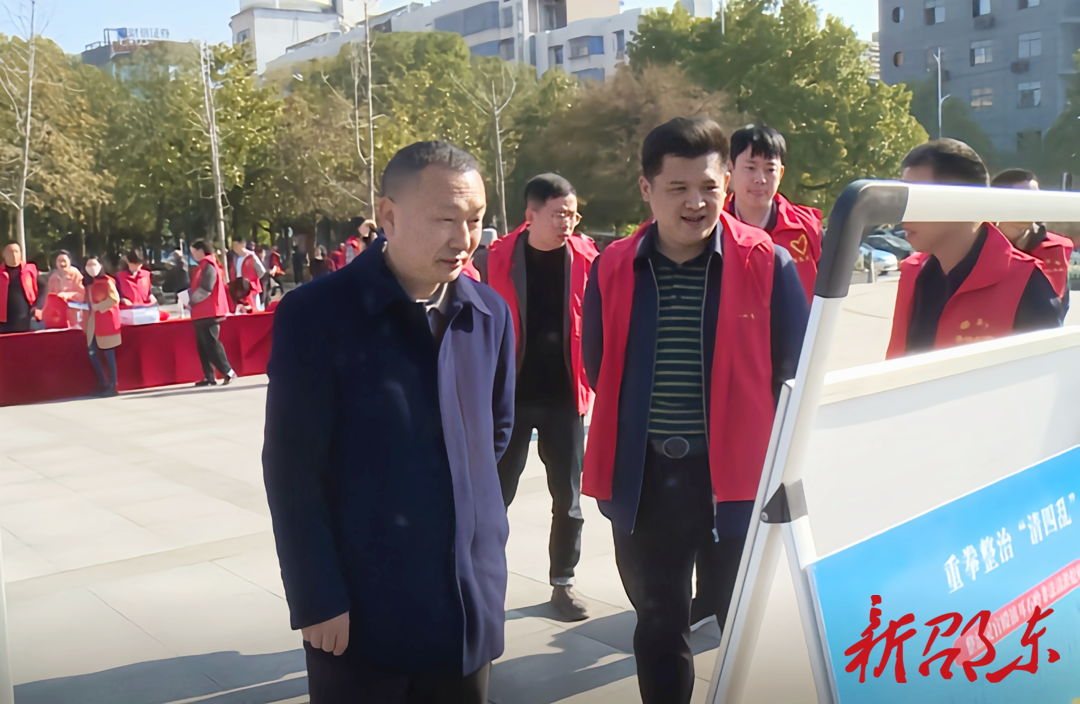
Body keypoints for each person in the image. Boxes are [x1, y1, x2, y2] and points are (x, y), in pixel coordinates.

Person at [263, 141, 514, 703]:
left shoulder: (488, 314)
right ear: (389, 216)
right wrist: (317, 597)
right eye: (445, 219)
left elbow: (495, 435)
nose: (464, 239)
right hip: (361, 608)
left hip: (465, 600)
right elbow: (291, 470)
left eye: (475, 220)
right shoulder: (316, 315)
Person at [581, 118, 809, 704]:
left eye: (709, 186)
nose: (696, 202)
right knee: (659, 626)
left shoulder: (767, 262)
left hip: (736, 481)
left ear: (725, 182)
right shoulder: (614, 266)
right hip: (646, 480)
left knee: (748, 625)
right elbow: (598, 365)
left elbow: (794, 376)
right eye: (677, 188)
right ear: (646, 188)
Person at [483, 174, 598, 621]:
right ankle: (481, 583)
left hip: (565, 398)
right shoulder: (495, 258)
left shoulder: (587, 257)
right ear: (531, 215)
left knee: (568, 498)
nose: (568, 222)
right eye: (559, 214)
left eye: (573, 214)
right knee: (495, 496)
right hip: (508, 397)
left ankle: (563, 583)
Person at [887, 140, 1062, 359]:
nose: (904, 212)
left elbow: (1047, 375)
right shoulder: (914, 273)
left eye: (917, 199)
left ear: (964, 201)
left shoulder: (1027, 285)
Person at [724, 125, 823, 301]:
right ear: (730, 169)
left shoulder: (809, 228)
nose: (760, 179)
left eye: (770, 170)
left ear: (781, 173)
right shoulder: (711, 227)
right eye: (750, 168)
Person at [991, 168, 1073, 309]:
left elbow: (1060, 306)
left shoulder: (1056, 248)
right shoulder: (976, 245)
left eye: (1034, 200)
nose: (1028, 208)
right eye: (1020, 201)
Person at [188, 240, 237, 387]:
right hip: (201, 312)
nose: (193, 255)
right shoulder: (202, 266)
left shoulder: (209, 266)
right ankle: (209, 375)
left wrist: (191, 300)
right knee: (203, 345)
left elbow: (206, 288)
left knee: (211, 343)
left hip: (210, 311)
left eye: (193, 252)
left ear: (201, 250)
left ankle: (228, 371)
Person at [82, 256, 121, 396]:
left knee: (109, 354)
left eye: (94, 264)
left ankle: (113, 384)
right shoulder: (89, 284)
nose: (91, 268)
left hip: (106, 321)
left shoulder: (108, 282)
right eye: (88, 265)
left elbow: (114, 298)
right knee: (93, 352)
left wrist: (99, 306)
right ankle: (103, 381)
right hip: (93, 322)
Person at [0, 242, 41, 334]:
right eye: (10, 252)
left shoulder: (30, 270)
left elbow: (44, 288)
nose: (14, 255)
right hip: (3, 323)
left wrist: (38, 307)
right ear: (3, 254)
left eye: (16, 251)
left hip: (26, 318)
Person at [231, 238, 267, 312]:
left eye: (236, 245)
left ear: (242, 245)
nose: (234, 248)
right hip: (239, 289)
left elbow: (261, 271)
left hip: (251, 288)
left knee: (255, 309)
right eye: (233, 246)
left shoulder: (251, 256)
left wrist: (253, 281)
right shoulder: (235, 258)